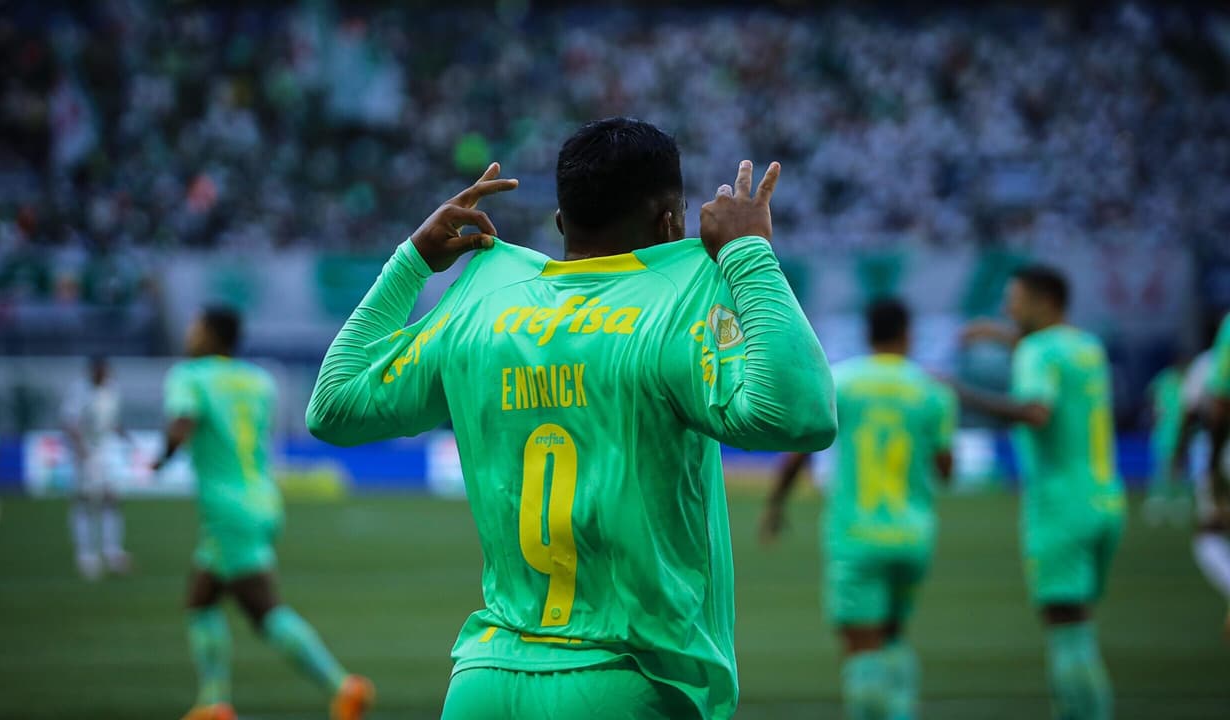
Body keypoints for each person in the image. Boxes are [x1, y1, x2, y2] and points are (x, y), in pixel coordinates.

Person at [307, 117, 837, 720]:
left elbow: (333, 405)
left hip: (485, 681)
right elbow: (802, 415)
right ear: (672, 221)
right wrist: (747, 252)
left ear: (561, 222)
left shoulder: (486, 300)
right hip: (626, 680)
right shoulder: (678, 302)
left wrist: (411, 262)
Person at [155, 307, 375, 720]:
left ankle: (343, 687)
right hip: (263, 498)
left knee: (264, 609)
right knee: (201, 599)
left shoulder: (189, 376)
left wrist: (161, 456)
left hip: (227, 509)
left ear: (211, 336)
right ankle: (214, 701)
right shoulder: (259, 381)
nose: (190, 333)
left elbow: (182, 422)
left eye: (196, 326)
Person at [761, 298, 955, 720]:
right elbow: (946, 469)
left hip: (857, 536)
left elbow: (801, 450)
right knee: (893, 637)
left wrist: (775, 505)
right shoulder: (931, 390)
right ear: (908, 334)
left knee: (860, 645)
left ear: (867, 334)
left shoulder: (842, 381)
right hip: (914, 534)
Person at [953, 266, 1124, 720]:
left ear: (1045, 301)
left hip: (1059, 506)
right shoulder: (1086, 345)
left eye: (1016, 300)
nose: (1009, 309)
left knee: (1067, 632)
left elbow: (1036, 411)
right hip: (1105, 500)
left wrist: (962, 395)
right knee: (1080, 625)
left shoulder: (1037, 352)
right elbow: (1048, 356)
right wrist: (1001, 336)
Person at [1178, 311, 1230, 637]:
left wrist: (1211, 466)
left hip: (1223, 450)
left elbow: (1212, 406)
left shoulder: (1204, 365)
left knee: (1209, 531)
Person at [62, 356, 132, 579]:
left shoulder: (113, 389)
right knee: (85, 501)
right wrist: (80, 449)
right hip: (86, 453)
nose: (105, 375)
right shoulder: (79, 391)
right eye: (102, 371)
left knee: (111, 499)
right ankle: (86, 555)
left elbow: (111, 420)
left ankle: (112, 552)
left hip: (106, 451)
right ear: (93, 371)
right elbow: (69, 422)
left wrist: (123, 434)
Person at [1142, 358, 1191, 527]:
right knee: (1165, 467)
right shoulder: (1174, 379)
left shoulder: (1177, 380)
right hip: (1169, 430)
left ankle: (1171, 501)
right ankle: (1164, 501)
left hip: (1174, 430)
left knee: (1172, 467)